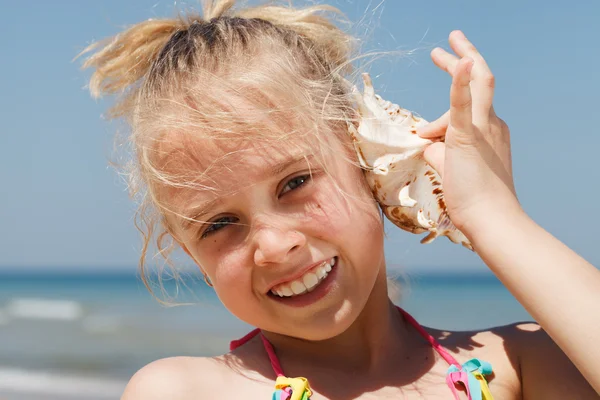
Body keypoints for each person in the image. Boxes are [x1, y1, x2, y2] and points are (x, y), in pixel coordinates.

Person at [79, 0, 600, 398]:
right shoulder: (187, 390)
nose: (274, 246)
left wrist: (494, 218)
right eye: (218, 225)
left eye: (294, 183)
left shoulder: (520, 364)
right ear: (189, 251)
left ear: (363, 152)